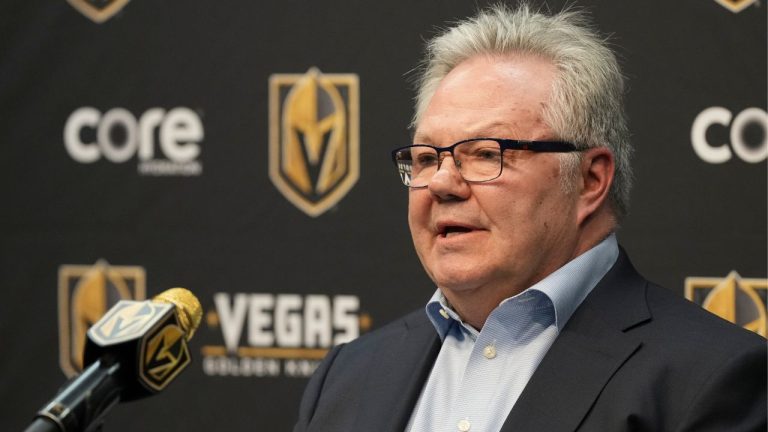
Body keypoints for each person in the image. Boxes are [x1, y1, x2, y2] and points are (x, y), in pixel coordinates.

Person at [293, 4, 767, 432]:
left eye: (484, 153)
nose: (440, 183)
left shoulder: (709, 379)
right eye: (424, 158)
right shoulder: (349, 373)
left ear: (589, 180)